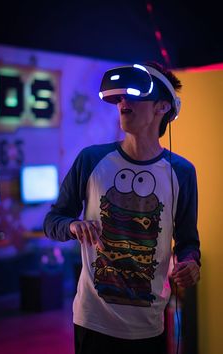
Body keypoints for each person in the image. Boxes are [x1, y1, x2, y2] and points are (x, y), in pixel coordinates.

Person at [43, 62, 201, 354]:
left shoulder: (182, 172)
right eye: (120, 98)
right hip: (93, 321)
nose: (123, 103)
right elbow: (53, 220)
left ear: (162, 107)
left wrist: (191, 263)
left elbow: (189, 242)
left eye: (134, 95)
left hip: (149, 324)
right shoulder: (90, 160)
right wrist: (73, 226)